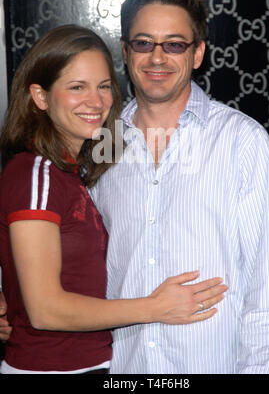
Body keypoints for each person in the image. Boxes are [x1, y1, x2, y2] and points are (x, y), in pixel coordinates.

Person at [87, 0, 269, 374]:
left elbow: (267, 291)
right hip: (122, 369)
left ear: (197, 53)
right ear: (126, 52)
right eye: (144, 43)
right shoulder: (100, 143)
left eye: (175, 44)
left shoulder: (240, 140)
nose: (157, 57)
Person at [0, 24, 227, 374]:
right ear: (41, 96)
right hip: (53, 368)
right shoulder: (37, 173)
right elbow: (46, 310)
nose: (96, 101)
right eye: (77, 87)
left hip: (96, 363)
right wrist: (156, 307)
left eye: (104, 86)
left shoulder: (75, 170)